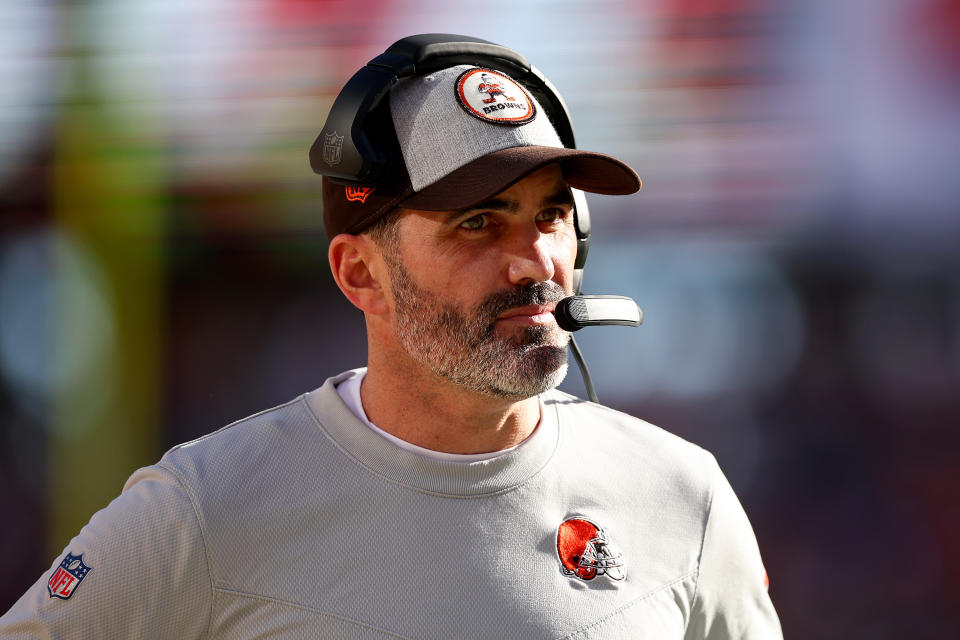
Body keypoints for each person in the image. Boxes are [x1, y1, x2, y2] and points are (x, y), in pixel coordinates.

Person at [0, 35, 782, 638]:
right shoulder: (205, 510)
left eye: (549, 214)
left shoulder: (686, 497)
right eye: (478, 223)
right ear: (360, 274)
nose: (535, 261)